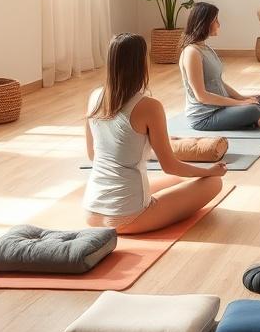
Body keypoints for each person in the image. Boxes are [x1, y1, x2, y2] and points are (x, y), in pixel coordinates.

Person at [84, 33, 225, 234]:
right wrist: (210, 171)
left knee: (177, 183)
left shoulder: (95, 97)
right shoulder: (149, 106)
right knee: (213, 183)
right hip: (129, 217)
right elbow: (170, 166)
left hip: (91, 211)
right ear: (141, 64)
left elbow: (93, 155)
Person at [179, 2, 260, 130]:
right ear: (205, 23)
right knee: (252, 110)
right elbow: (202, 96)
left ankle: (256, 118)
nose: (219, 24)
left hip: (223, 107)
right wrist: (239, 104)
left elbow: (219, 82)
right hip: (205, 116)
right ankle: (256, 117)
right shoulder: (191, 53)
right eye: (215, 20)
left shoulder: (206, 48)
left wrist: (243, 98)